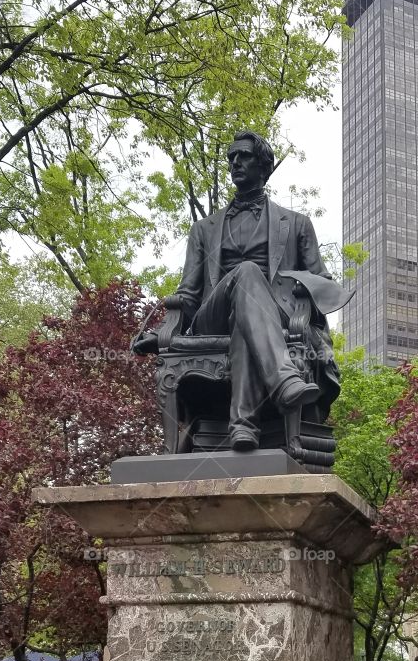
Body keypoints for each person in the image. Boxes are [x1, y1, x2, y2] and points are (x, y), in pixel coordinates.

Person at [132, 130, 345, 452]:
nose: (235, 163)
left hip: (274, 314)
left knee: (246, 321)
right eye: (231, 157)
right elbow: (188, 293)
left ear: (264, 166)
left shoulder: (297, 224)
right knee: (246, 272)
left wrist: (303, 289)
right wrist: (163, 330)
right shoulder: (203, 229)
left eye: (243, 156)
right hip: (213, 315)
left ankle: (243, 426)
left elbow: (323, 281)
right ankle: (284, 379)